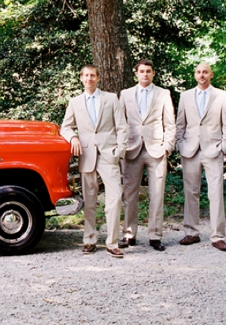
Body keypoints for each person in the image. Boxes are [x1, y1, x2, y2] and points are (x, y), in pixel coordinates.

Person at [61, 65, 129, 258]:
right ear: (81, 78)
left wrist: (119, 150)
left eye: (93, 76)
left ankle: (112, 242)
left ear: (98, 78)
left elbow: (122, 126)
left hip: (109, 153)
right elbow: (65, 127)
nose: (89, 79)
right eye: (86, 76)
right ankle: (89, 239)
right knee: (90, 200)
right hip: (87, 154)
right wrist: (73, 138)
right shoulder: (75, 102)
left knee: (114, 197)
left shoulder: (111, 98)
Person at [175, 62, 226, 251]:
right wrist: (180, 144)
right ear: (195, 75)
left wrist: (224, 146)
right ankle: (191, 232)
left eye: (205, 72)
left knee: (215, 192)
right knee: (191, 191)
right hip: (190, 149)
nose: (202, 75)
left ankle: (217, 236)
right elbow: (180, 123)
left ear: (211, 75)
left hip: (213, 149)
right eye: (199, 72)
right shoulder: (185, 96)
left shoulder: (222, 96)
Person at [119, 59, 175, 251]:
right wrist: (121, 146)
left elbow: (170, 123)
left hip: (156, 149)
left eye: (148, 71)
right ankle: (129, 234)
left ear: (153, 73)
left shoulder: (163, 94)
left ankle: (155, 236)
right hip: (132, 149)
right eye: (141, 71)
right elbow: (120, 122)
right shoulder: (125, 94)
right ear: (136, 73)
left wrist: (167, 146)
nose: (145, 74)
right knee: (130, 194)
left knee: (157, 194)